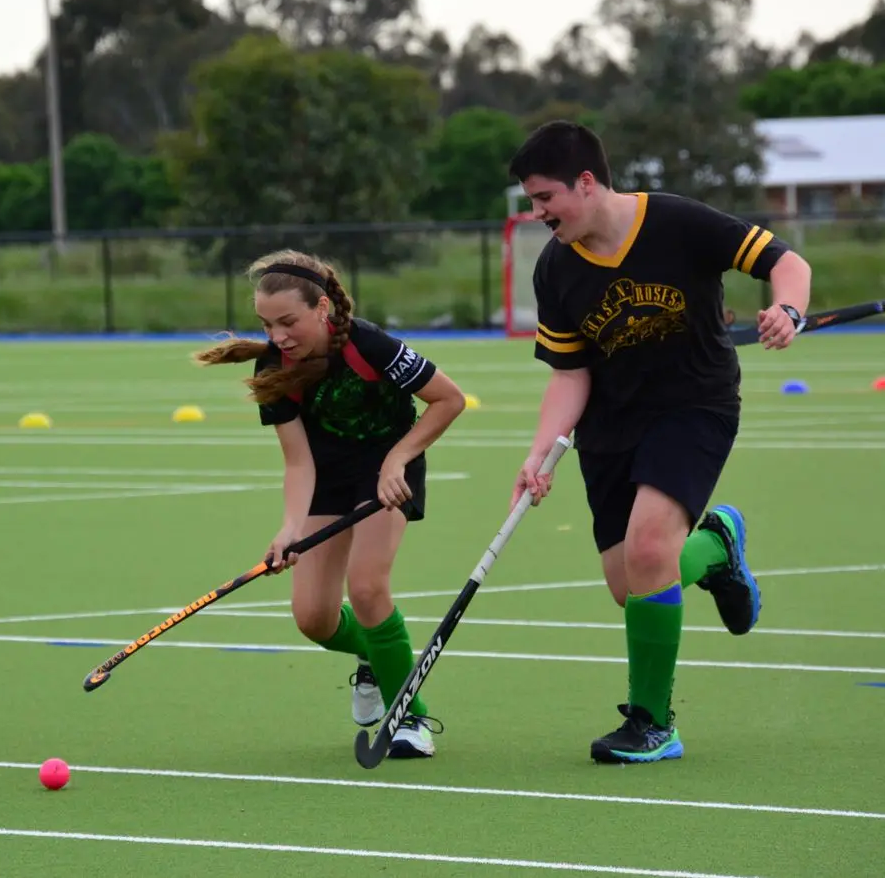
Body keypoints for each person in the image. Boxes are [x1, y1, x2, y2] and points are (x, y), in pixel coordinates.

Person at [507, 121, 813, 764]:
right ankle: (717, 547)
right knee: (631, 583)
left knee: (649, 552)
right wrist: (539, 450)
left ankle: (652, 723)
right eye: (532, 203)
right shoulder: (557, 269)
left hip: (693, 405)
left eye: (544, 199)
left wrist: (787, 309)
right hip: (610, 427)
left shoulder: (678, 221)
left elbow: (787, 262)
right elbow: (570, 374)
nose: (538, 215)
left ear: (585, 183)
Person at [194, 249, 467, 758]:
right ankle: (375, 660)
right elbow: (298, 463)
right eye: (267, 324)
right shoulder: (274, 363)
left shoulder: (370, 344)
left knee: (366, 589)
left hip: (388, 468)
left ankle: (411, 717)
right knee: (313, 618)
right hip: (326, 475)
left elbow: (449, 399)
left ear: (323, 308)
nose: (277, 337)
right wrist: (289, 528)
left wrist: (398, 460)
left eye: (288, 322)